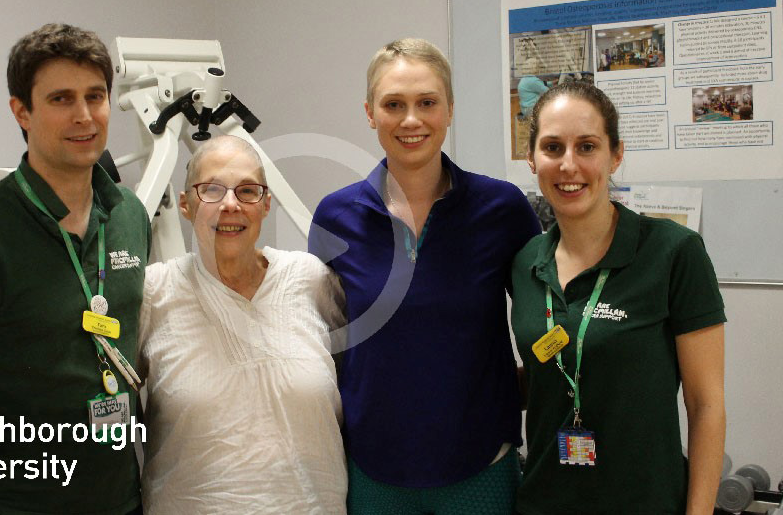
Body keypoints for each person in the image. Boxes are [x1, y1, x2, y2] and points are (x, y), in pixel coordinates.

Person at [0, 23, 150, 515]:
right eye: (61, 99)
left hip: (120, 503)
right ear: (21, 111)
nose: (84, 116)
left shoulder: (129, 215)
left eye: (95, 96)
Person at [309, 38, 540, 514]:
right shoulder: (336, 217)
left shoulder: (502, 210)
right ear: (370, 113)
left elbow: (543, 319)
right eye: (394, 104)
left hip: (480, 464)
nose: (411, 120)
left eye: (427, 103)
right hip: (374, 469)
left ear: (450, 109)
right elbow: (324, 343)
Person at [511, 80, 725, 515]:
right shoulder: (525, 262)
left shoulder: (673, 252)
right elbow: (545, 375)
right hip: (544, 502)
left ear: (616, 155)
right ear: (531, 158)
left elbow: (706, 405)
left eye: (587, 147)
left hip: (646, 502)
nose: (568, 164)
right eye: (552, 147)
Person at [138, 135, 347, 514]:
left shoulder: (309, 280)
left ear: (266, 204)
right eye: (211, 190)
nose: (231, 204)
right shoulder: (154, 293)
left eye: (247, 191)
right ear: (185, 205)